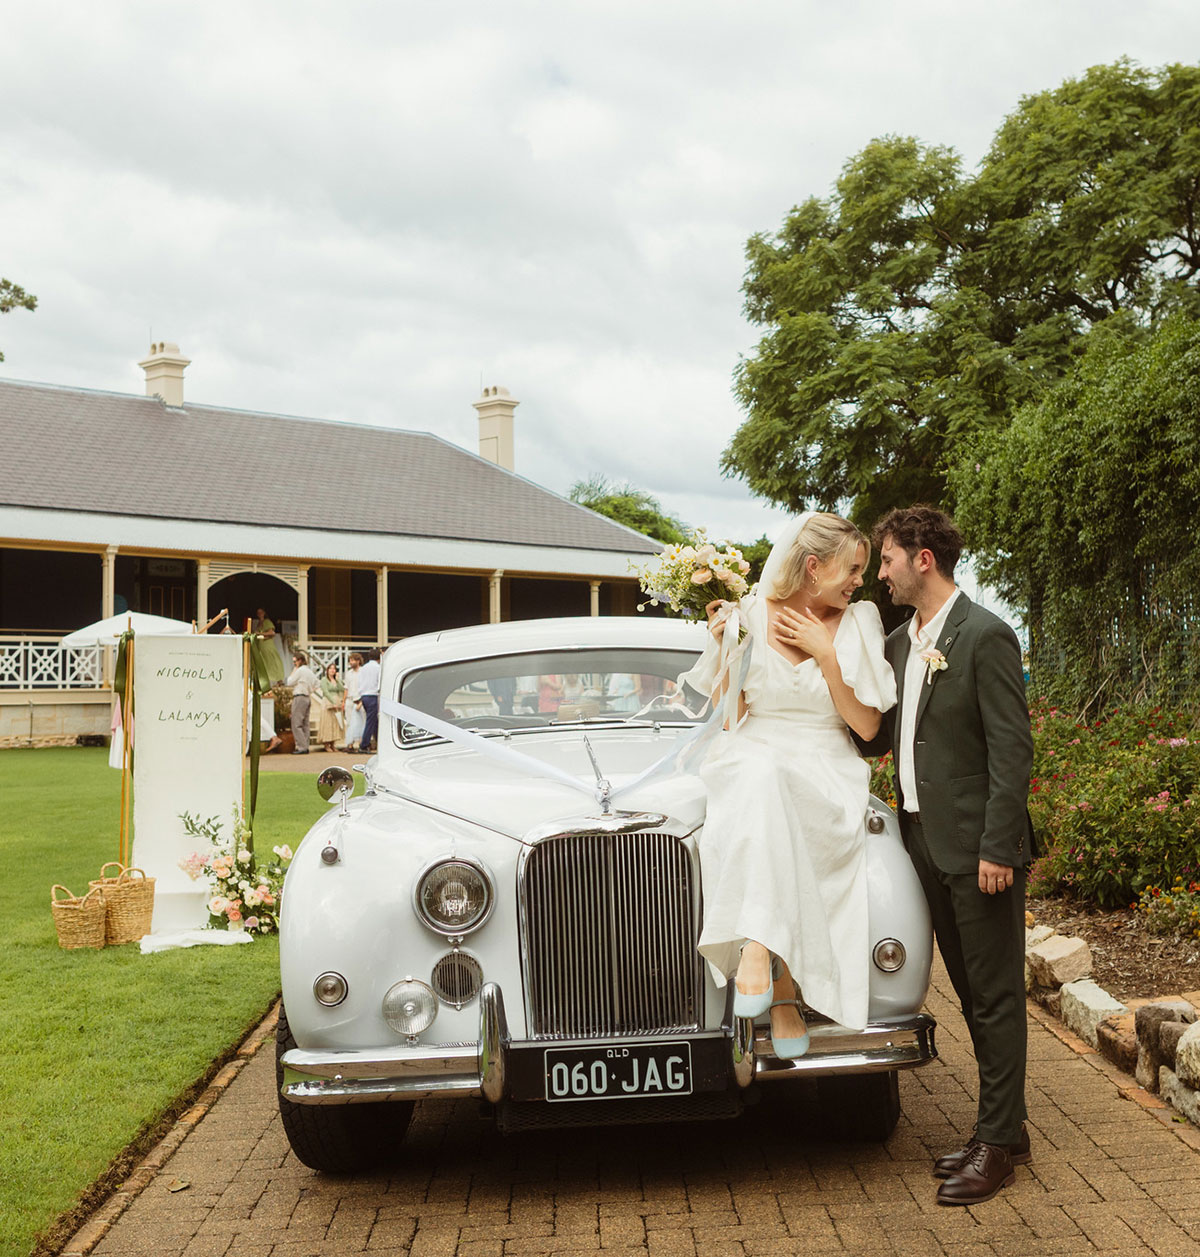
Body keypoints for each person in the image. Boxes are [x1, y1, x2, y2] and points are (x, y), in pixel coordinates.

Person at [685, 512, 896, 1059]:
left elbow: (868, 727)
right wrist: (727, 650)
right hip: (755, 748)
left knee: (772, 785)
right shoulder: (750, 614)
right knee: (759, 774)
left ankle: (765, 960)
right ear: (812, 565)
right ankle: (772, 974)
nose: (859, 581)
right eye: (852, 569)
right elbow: (731, 720)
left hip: (826, 760)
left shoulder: (860, 621)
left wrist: (827, 656)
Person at [870, 505, 1034, 1207]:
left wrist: (999, 844)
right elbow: (876, 736)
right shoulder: (902, 642)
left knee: (995, 994)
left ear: (922, 558)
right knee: (970, 992)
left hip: (978, 849)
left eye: (886, 560)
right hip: (920, 841)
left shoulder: (986, 634)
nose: (881, 573)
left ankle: (998, 1146)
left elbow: (1012, 748)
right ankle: (1007, 1126)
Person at [281, 651, 320, 755]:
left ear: (300, 660)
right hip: (307, 697)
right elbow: (317, 683)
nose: (294, 663)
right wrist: (310, 689)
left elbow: (289, 682)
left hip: (300, 696)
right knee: (305, 724)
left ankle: (301, 747)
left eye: (295, 661)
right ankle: (305, 745)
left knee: (296, 723)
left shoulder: (300, 670)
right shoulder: (309, 671)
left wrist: (294, 670)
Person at [250, 608, 286, 688]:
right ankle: (268, 682)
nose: (259, 614)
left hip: (267, 645)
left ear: (264, 613)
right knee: (265, 663)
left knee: (272, 662)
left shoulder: (267, 622)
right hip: (261, 646)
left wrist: (259, 633)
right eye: (258, 612)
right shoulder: (259, 623)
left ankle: (279, 680)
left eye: (261, 612)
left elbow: (272, 633)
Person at [316, 661, 346, 753]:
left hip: (337, 701)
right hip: (328, 702)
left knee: (335, 723)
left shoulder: (337, 680)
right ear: (327, 670)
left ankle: (333, 743)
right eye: (331, 668)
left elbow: (342, 689)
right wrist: (332, 702)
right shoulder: (324, 680)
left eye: (334, 668)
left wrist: (337, 679)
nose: (332, 670)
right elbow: (325, 692)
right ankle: (326, 744)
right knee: (327, 722)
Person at [357, 648, 381, 753]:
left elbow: (360, 682)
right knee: (371, 721)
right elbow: (380, 682)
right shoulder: (378, 668)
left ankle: (379, 741)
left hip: (364, 695)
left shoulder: (363, 668)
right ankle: (364, 744)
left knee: (374, 721)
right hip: (373, 695)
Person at [343, 652, 365, 749]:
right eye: (350, 661)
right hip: (350, 700)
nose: (350, 662)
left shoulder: (363, 672)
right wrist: (343, 701)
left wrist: (362, 701)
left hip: (360, 700)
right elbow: (346, 688)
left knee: (361, 722)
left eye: (352, 660)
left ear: (358, 661)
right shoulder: (348, 674)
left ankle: (361, 743)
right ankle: (350, 743)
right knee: (349, 722)